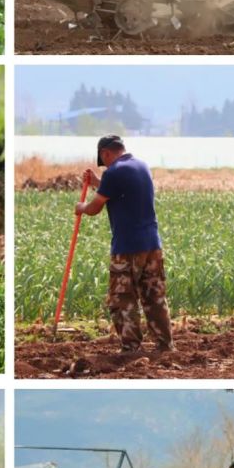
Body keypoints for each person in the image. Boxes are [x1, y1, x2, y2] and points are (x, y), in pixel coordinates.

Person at [74, 135, 174, 355]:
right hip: (152, 245)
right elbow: (118, 192)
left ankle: (131, 347)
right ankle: (164, 345)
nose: (105, 164)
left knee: (122, 298)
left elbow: (94, 208)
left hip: (127, 247)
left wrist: (81, 207)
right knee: (154, 296)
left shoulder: (114, 171)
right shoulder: (141, 166)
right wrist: (97, 183)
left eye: (104, 160)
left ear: (106, 153)